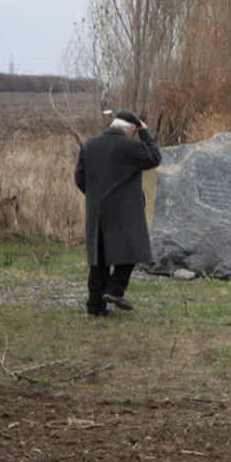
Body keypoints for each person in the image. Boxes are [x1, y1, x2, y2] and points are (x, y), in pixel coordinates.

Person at [74, 109, 162, 316]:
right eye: (135, 130)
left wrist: (95, 196)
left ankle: (95, 306)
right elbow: (155, 158)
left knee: (100, 258)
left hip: (97, 210)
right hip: (125, 209)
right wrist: (145, 133)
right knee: (133, 248)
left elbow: (79, 177)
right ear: (131, 128)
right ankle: (114, 290)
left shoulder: (89, 145)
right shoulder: (131, 146)